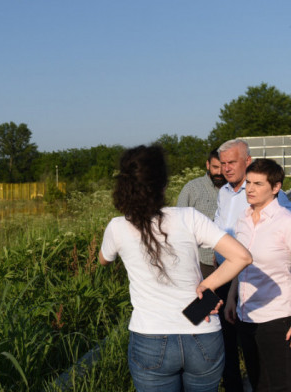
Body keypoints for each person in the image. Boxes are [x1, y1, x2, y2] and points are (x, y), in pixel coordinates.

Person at [99, 144, 252, 392]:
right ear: (163, 184)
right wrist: (207, 284)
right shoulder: (189, 217)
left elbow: (104, 260)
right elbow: (242, 257)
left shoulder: (117, 227)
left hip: (150, 338)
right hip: (201, 331)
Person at [224, 159, 291, 391]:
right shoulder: (242, 220)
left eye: (258, 183)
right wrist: (231, 298)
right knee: (258, 384)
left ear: (276, 187)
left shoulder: (288, 223)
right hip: (246, 315)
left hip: (277, 319)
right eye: (248, 182)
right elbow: (239, 263)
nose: (250, 189)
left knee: (282, 386)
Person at [213, 139, 291, 391]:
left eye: (232, 162)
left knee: (269, 358)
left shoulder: (272, 195)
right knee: (229, 344)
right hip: (227, 278)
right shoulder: (224, 193)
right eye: (223, 163)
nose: (226, 168)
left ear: (247, 161)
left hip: (259, 282)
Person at [176, 149, 228, 279]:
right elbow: (179, 224)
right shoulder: (192, 188)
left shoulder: (235, 189)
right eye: (215, 167)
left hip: (232, 260)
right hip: (202, 262)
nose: (219, 172)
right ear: (207, 165)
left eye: (223, 168)